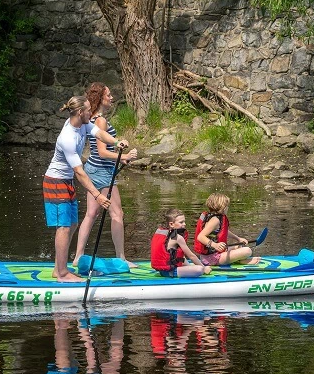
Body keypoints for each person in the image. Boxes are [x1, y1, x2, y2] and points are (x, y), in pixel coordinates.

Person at [43, 95, 128, 282]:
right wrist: (97, 195)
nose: (92, 112)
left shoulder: (84, 123)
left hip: (66, 181)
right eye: (89, 110)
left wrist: (116, 142)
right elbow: (80, 173)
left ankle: (59, 269)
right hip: (56, 182)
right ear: (80, 112)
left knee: (71, 224)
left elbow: (100, 134)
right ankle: (62, 273)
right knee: (64, 227)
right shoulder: (68, 137)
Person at [73, 83, 138, 268]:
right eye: (108, 95)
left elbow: (99, 151)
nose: (112, 98)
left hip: (92, 169)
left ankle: (78, 256)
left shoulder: (93, 118)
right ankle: (121, 259)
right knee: (117, 214)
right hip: (101, 171)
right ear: (101, 98)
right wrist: (124, 155)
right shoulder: (100, 120)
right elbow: (101, 152)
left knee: (91, 214)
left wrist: (120, 159)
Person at [194, 192, 261, 266]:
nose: (227, 208)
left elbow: (224, 231)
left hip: (213, 255)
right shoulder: (215, 220)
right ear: (223, 207)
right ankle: (239, 261)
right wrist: (215, 245)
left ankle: (238, 260)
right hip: (211, 258)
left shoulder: (214, 217)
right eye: (227, 206)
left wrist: (238, 238)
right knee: (247, 251)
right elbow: (200, 237)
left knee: (239, 246)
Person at [151, 208, 212, 278]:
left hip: (162, 271)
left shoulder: (165, 234)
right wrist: (204, 268)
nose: (184, 224)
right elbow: (191, 256)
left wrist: (189, 267)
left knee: (186, 261)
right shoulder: (177, 238)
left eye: (184, 221)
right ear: (171, 224)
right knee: (199, 269)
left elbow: (180, 257)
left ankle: (190, 269)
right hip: (170, 272)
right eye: (181, 222)